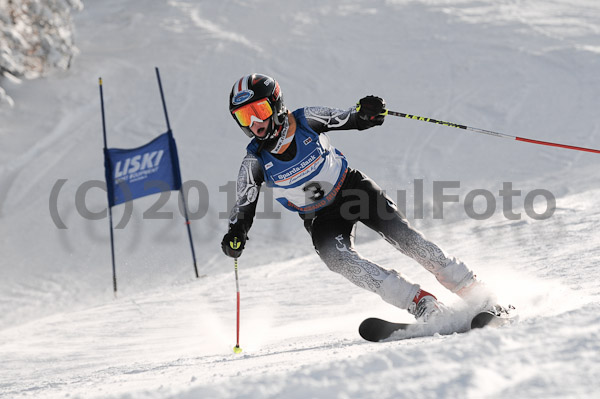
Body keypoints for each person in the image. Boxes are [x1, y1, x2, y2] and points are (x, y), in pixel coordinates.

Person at [221, 73, 500, 323]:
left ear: (277, 104)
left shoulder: (307, 119)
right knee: (338, 259)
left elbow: (351, 118)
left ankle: (474, 291)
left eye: (259, 109)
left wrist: (367, 113)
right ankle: (421, 303)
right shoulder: (254, 162)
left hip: (352, 189)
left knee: (403, 236)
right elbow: (244, 207)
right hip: (319, 215)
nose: (255, 122)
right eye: (245, 116)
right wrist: (236, 232)